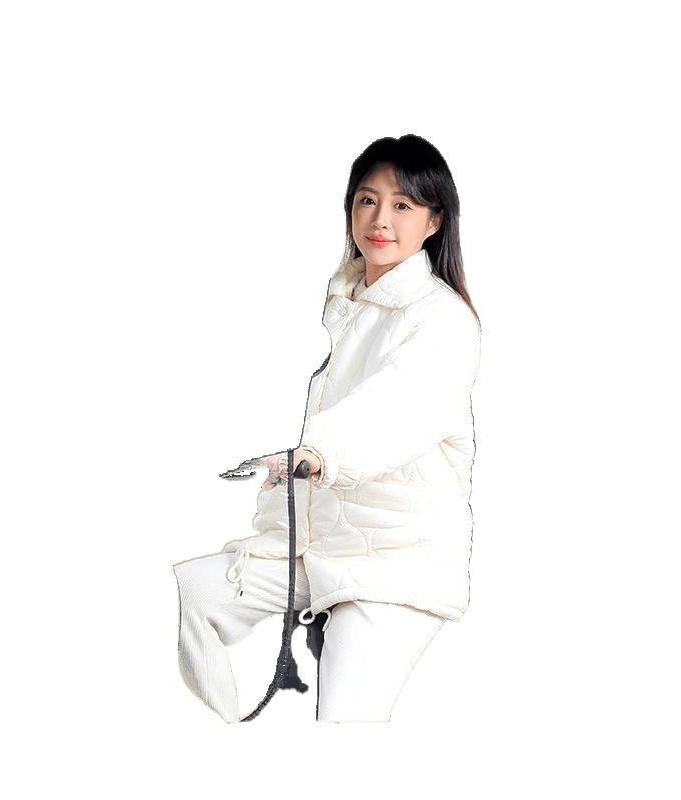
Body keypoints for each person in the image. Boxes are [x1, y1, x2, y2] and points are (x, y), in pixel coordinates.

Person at [172, 134, 482, 723]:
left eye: (402, 205)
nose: (380, 219)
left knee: (345, 724)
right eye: (367, 200)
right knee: (192, 590)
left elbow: (397, 409)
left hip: (395, 566)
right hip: (325, 551)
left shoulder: (442, 319)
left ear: (435, 221)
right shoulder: (352, 306)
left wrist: (317, 454)